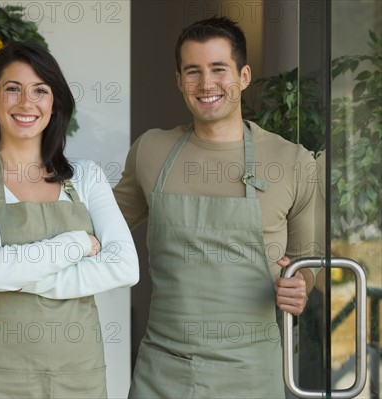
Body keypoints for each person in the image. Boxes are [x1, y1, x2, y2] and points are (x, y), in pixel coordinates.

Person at [113, 17, 316, 398]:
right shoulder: (151, 151)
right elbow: (101, 227)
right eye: (193, 71)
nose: (206, 84)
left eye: (218, 69)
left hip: (250, 371)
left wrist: (299, 286)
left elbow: (309, 259)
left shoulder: (292, 161)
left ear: (244, 76)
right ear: (179, 81)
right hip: (162, 369)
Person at [0, 41, 139, 398]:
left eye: (40, 90)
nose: (26, 103)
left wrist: (16, 276)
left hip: (77, 372)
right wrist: (76, 244)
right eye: (12, 89)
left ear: (54, 103)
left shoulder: (87, 176)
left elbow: (125, 267)